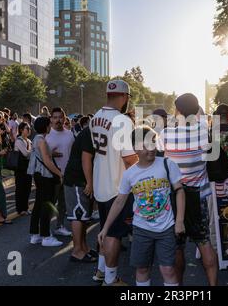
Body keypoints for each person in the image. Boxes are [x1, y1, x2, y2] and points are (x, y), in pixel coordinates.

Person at [98, 126, 186, 286]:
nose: (151, 148)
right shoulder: (130, 174)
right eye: (145, 145)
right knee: (142, 269)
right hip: (141, 230)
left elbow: (179, 191)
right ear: (135, 148)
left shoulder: (167, 164)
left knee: (168, 270)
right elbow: (119, 201)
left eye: (153, 142)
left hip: (166, 228)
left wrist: (179, 221)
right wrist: (105, 227)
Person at [157, 93, 218, 286]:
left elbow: (159, 157)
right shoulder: (203, 133)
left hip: (175, 196)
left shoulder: (166, 134)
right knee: (204, 242)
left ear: (179, 111)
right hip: (198, 194)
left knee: (177, 247)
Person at [90, 79, 138, 285]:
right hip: (117, 185)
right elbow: (129, 158)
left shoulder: (95, 118)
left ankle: (101, 271)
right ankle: (110, 279)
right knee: (114, 235)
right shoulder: (122, 120)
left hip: (101, 182)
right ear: (125, 97)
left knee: (105, 229)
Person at [27, 116, 64, 247]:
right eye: (49, 124)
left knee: (38, 204)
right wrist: (59, 173)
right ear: (46, 126)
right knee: (46, 205)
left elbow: (42, 156)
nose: (51, 126)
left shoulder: (37, 139)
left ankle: (35, 234)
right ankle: (46, 236)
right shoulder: (41, 140)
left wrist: (51, 154)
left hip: (38, 174)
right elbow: (47, 161)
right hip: (44, 175)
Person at [64, 126, 97, 262]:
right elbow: (86, 159)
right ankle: (77, 251)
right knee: (78, 215)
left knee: (84, 216)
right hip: (76, 180)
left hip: (80, 179)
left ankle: (84, 247)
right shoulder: (90, 133)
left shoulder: (92, 132)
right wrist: (90, 182)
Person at [46, 107, 75, 237]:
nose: (58, 120)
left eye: (60, 117)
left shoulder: (69, 134)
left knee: (63, 203)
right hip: (52, 175)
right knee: (50, 203)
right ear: (51, 119)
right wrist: (50, 154)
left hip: (67, 174)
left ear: (64, 118)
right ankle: (44, 231)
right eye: (55, 117)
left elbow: (74, 152)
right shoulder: (47, 135)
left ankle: (59, 226)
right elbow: (40, 155)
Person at [14, 122, 32, 215]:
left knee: (27, 188)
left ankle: (26, 207)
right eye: (27, 128)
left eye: (29, 128)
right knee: (20, 188)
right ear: (21, 130)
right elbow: (26, 154)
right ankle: (20, 209)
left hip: (28, 168)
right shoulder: (19, 140)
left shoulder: (29, 141)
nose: (29, 130)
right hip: (20, 169)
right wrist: (33, 150)